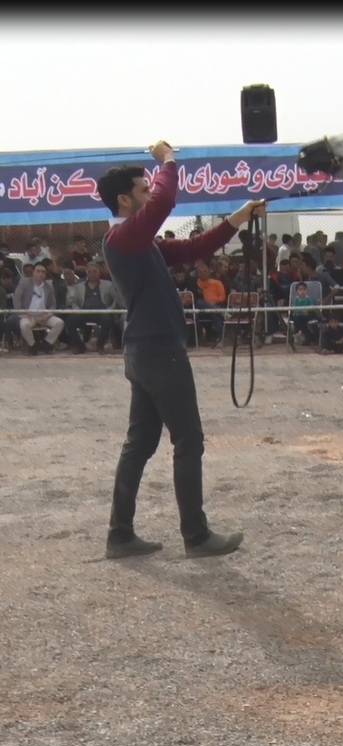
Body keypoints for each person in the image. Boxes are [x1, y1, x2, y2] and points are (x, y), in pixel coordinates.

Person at [96, 139, 266, 559]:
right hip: (159, 353)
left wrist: (238, 218)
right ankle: (196, 535)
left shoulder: (136, 241)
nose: (148, 194)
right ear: (124, 199)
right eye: (141, 190)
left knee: (140, 443)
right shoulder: (125, 236)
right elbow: (165, 199)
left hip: (144, 352)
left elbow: (195, 248)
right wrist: (168, 161)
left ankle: (120, 535)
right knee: (188, 439)